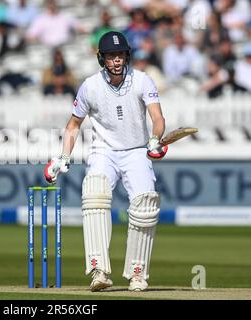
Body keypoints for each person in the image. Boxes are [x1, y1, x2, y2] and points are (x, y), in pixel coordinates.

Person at [44, 31, 167, 292]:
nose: (117, 61)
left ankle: (137, 273)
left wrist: (155, 139)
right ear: (102, 59)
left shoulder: (143, 81)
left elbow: (157, 118)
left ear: (127, 56)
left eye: (120, 55)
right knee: (94, 194)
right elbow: (73, 124)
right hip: (103, 150)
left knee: (146, 205)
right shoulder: (90, 86)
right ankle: (99, 270)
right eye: (111, 56)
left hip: (136, 150)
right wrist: (63, 157)